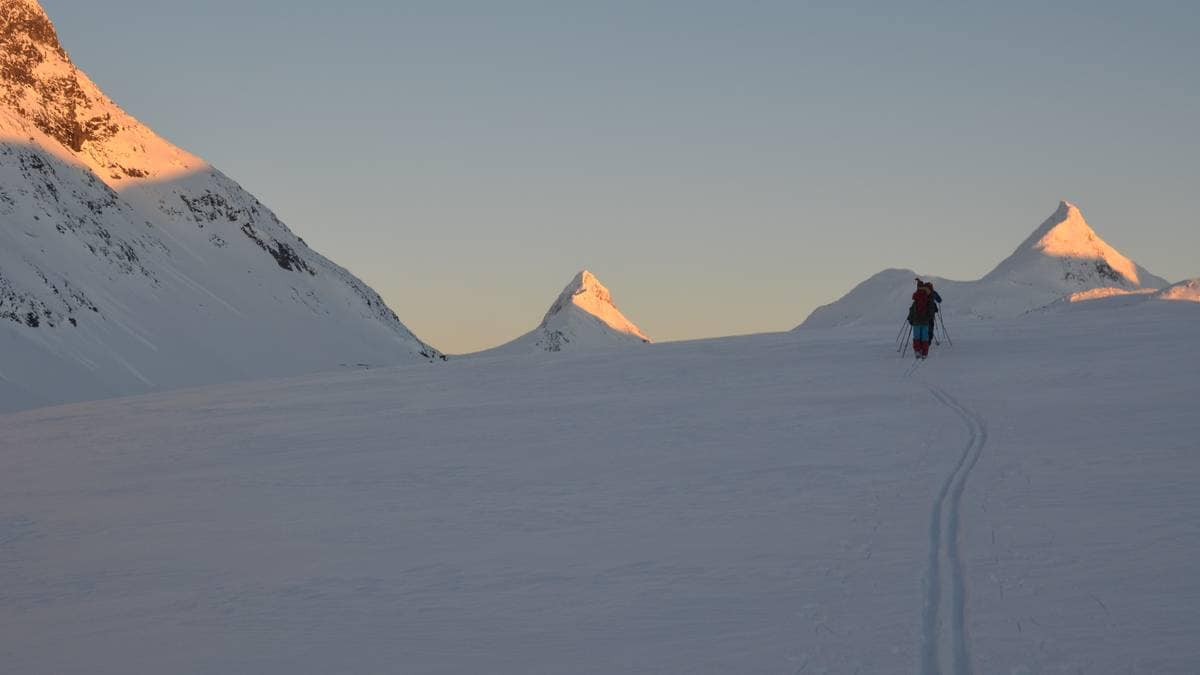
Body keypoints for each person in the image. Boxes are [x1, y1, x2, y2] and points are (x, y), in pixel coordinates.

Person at [908, 280, 937, 359]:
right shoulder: (928, 298)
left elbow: (912, 310)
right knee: (925, 337)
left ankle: (917, 351)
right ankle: (924, 352)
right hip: (925, 321)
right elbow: (931, 311)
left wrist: (910, 319)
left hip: (916, 321)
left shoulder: (916, 298)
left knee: (916, 337)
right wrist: (930, 318)